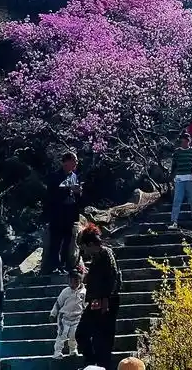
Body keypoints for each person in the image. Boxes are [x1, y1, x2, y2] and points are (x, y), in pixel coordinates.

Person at [75, 224, 123, 370]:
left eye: (84, 247)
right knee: (82, 334)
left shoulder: (106, 254)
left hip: (105, 303)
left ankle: (99, 366)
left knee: (102, 341)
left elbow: (114, 278)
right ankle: (91, 363)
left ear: (90, 244)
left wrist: (105, 300)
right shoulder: (97, 257)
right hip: (96, 301)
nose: (84, 251)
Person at [45, 151, 85, 274]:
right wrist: (68, 189)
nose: (76, 163)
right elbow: (51, 194)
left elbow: (77, 195)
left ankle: (64, 265)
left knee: (68, 241)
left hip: (70, 213)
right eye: (74, 160)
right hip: (57, 214)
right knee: (56, 241)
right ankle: (54, 266)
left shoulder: (74, 176)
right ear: (66, 162)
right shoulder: (55, 176)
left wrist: (78, 192)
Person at [50, 269, 87, 358]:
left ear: (80, 281)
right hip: (64, 318)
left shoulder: (84, 292)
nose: (72, 284)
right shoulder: (65, 292)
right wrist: (53, 314)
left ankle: (73, 350)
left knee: (74, 335)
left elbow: (85, 305)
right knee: (62, 334)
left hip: (77, 317)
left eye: (75, 281)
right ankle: (57, 351)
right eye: (70, 282)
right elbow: (58, 303)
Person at [169, 132, 192, 229]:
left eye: (186, 141)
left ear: (189, 141)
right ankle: (174, 221)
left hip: (191, 178)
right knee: (177, 200)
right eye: (182, 141)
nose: (184, 143)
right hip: (180, 178)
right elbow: (174, 166)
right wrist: (172, 177)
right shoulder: (177, 152)